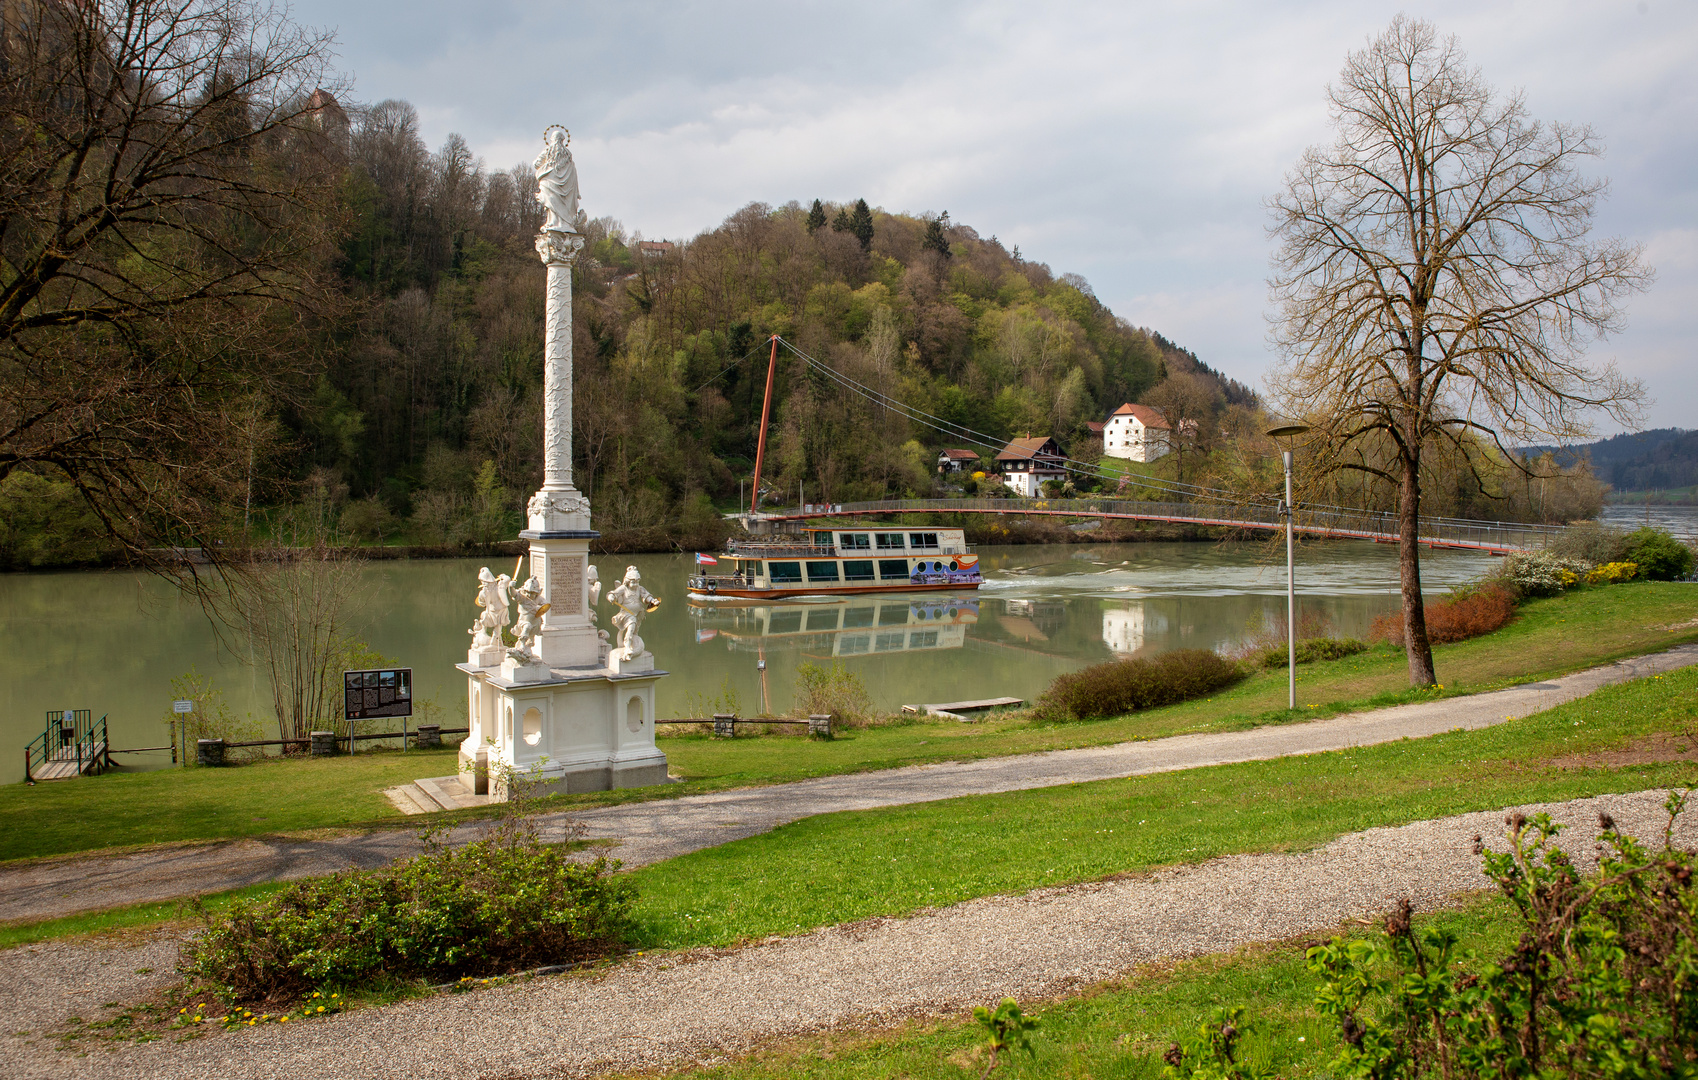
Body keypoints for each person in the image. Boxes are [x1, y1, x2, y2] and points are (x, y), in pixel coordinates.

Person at [534, 126, 579, 234]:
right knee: (561, 202)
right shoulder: (568, 155)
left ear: (552, 139)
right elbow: (573, 171)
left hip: (549, 182)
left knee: (551, 200)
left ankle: (555, 222)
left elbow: (536, 164)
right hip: (566, 187)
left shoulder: (548, 151)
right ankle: (565, 223)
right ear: (562, 140)